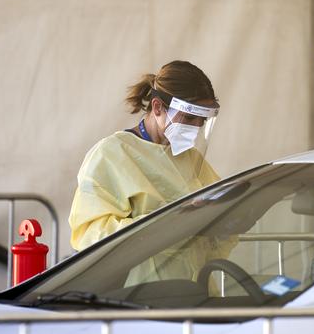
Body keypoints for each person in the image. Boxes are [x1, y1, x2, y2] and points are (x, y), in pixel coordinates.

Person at [68, 60, 222, 252]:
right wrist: (169, 222)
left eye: (203, 120)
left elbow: (220, 216)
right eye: (190, 117)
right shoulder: (111, 155)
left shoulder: (190, 158)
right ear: (157, 107)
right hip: (137, 281)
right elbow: (91, 236)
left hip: (192, 280)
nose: (197, 127)